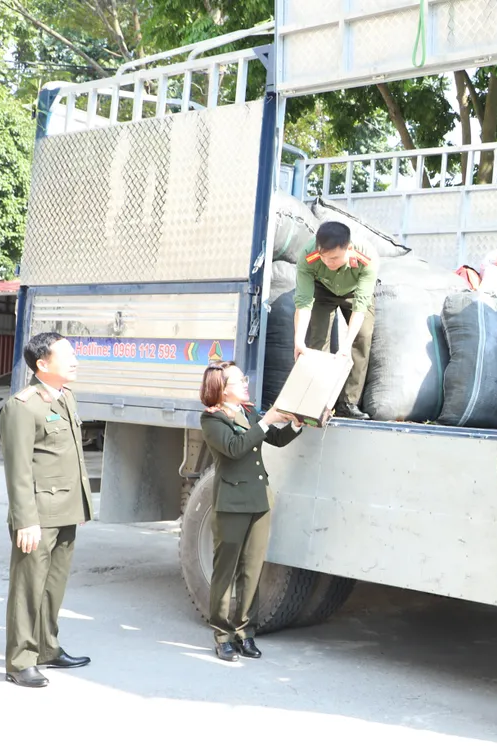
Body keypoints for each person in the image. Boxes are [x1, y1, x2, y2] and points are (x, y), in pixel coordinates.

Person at [1, 332, 93, 688]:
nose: (75, 359)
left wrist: (79, 505)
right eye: (67, 354)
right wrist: (26, 521)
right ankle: (20, 660)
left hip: (65, 509)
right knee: (28, 588)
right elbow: (19, 469)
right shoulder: (23, 406)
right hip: (37, 515)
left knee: (53, 587)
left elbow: (70, 458)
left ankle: (47, 649)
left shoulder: (65, 397)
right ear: (42, 364)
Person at [198, 361, 302, 662]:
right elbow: (235, 447)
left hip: (258, 500)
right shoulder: (212, 421)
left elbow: (276, 440)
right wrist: (266, 420)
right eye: (238, 380)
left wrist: (296, 423)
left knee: (252, 570)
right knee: (225, 572)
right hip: (231, 503)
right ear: (221, 388)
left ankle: (245, 632)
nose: (245, 383)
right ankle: (222, 635)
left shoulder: (247, 412)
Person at [294, 221, 378, 420]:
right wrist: (298, 340)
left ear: (349, 248)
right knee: (316, 340)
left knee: (362, 337)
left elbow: (361, 304)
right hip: (322, 289)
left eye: (334, 258)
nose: (328, 263)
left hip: (355, 291)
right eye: (324, 258)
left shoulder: (367, 257)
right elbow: (304, 302)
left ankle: (348, 403)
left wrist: (346, 345)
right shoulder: (308, 257)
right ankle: (315, 403)